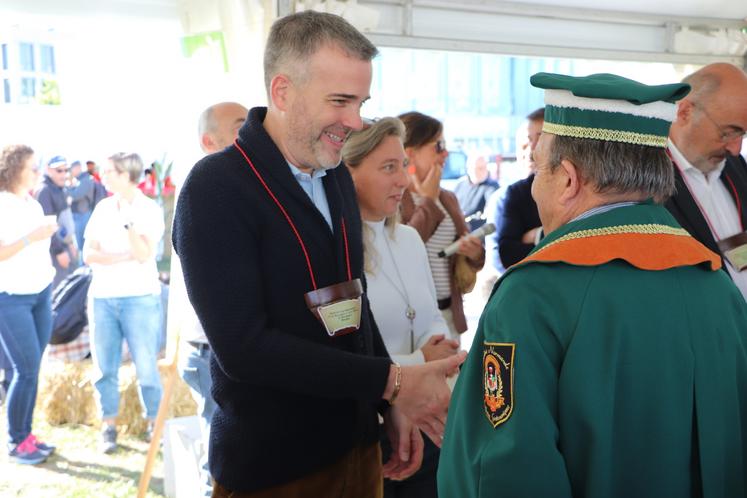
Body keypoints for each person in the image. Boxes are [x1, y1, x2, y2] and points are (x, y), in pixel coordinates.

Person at [173, 11, 465, 497]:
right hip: (274, 470)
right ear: (283, 92)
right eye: (340, 102)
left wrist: (384, 406)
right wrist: (390, 382)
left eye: (361, 102)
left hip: (356, 451)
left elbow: (353, 302)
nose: (355, 122)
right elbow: (244, 349)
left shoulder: (334, 178)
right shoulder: (216, 189)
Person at [438, 72, 747, 497]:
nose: (533, 187)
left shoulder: (534, 294)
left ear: (568, 179)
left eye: (537, 169)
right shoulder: (717, 286)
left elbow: (500, 467)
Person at [344, 117, 460, 498]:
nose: (403, 181)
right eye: (388, 168)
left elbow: (432, 328)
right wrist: (412, 369)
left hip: (420, 414)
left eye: (402, 166)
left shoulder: (408, 238)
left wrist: (412, 384)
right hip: (363, 427)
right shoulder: (337, 250)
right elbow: (340, 356)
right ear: (349, 171)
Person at [174, 100, 247, 497]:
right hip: (209, 349)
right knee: (220, 458)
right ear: (209, 141)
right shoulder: (202, 195)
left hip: (225, 347)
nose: (253, 132)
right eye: (241, 125)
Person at [83, 152, 164, 454]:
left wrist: (129, 226)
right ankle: (109, 426)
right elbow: (88, 254)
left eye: (110, 172)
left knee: (146, 367)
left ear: (128, 175)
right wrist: (120, 258)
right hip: (102, 298)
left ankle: (155, 426)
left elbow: (144, 254)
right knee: (105, 368)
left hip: (139, 298)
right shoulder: (102, 208)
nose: (104, 177)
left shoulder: (149, 209)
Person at [398, 111, 485, 340]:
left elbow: (465, 256)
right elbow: (404, 249)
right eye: (438, 145)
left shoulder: (448, 198)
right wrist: (427, 202)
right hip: (412, 321)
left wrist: (475, 253)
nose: (445, 153)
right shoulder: (394, 198)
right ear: (410, 153)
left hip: (449, 315)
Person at [664, 63, 747, 302]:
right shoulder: (645, 181)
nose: (735, 148)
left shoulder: (736, 167)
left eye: (742, 134)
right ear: (685, 112)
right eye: (728, 132)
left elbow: (739, 247)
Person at [0, 145, 59, 464]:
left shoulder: (32, 204)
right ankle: (15, 441)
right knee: (25, 370)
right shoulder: (3, 204)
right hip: (10, 297)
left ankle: (26, 434)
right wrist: (32, 238)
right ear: (13, 170)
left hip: (40, 292)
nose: (38, 173)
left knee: (32, 369)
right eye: (32, 168)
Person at [495, 107, 544, 270]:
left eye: (541, 137)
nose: (532, 148)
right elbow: (508, 254)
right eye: (529, 140)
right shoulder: (518, 193)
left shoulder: (579, 185)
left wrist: (537, 235)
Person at [34, 155, 78, 289]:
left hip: (65, 246)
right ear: (48, 170)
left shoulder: (59, 188)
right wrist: (59, 252)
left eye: (66, 170)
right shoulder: (45, 191)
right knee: (59, 294)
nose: (64, 174)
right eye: (59, 170)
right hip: (55, 252)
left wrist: (70, 243)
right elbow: (47, 227)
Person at [452, 150, 498, 232]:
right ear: (469, 168)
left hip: (476, 235)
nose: (483, 171)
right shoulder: (460, 185)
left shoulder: (492, 187)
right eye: (479, 168)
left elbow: (490, 212)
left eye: (484, 167)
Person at [67, 159, 97, 253]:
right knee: (79, 243)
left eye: (72, 169)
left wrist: (65, 189)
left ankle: (84, 265)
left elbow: (76, 195)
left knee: (82, 245)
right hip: (79, 214)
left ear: (78, 168)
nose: (70, 171)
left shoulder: (85, 180)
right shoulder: (79, 180)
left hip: (83, 215)